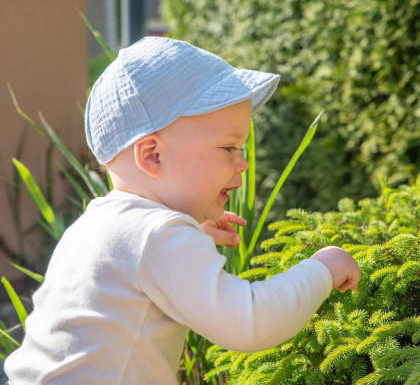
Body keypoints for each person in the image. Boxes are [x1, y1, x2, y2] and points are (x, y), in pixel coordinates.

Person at [4, 37, 360, 384]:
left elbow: (137, 267)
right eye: (229, 148)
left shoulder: (97, 224)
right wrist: (323, 268)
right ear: (152, 156)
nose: (244, 164)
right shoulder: (157, 235)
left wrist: (192, 235)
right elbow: (249, 321)